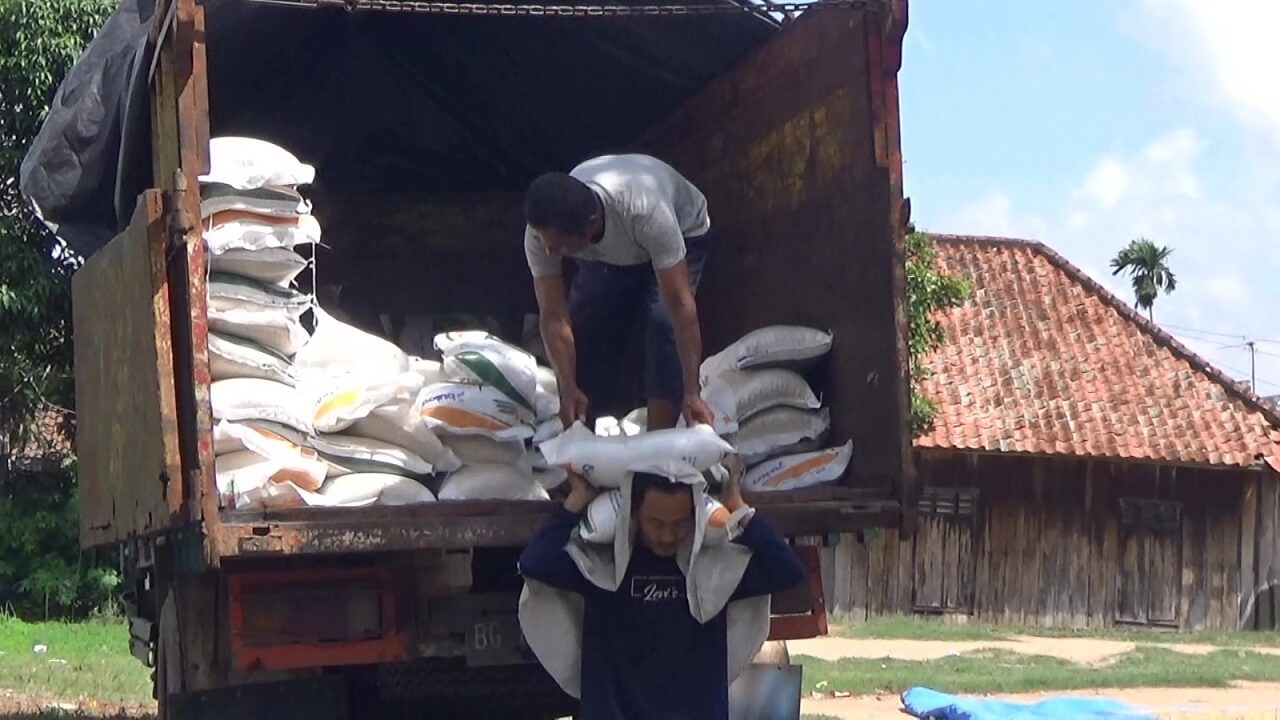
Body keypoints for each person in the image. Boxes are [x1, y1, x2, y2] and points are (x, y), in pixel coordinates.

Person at [518, 459, 807, 720]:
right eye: (655, 523)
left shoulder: (713, 574)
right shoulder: (603, 569)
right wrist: (576, 501)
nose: (667, 536)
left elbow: (787, 570)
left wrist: (739, 509)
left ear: (695, 516)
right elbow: (535, 564)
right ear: (633, 514)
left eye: (679, 524)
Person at [523, 154, 716, 430]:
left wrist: (691, 392)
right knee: (586, 324)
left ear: (590, 226)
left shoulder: (646, 213)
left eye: (559, 245)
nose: (550, 252)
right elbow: (554, 316)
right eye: (545, 241)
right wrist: (567, 387)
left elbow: (679, 306)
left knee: (662, 325)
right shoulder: (540, 235)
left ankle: (658, 448)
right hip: (614, 249)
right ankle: (583, 432)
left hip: (683, 233)